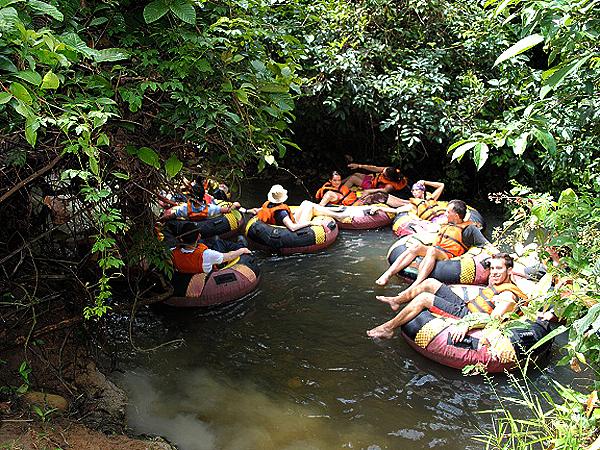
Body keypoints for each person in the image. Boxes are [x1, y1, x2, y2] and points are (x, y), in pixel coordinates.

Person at [367, 253, 528, 340]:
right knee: (430, 282)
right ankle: (396, 301)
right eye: (492, 269)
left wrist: (468, 325)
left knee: (424, 298)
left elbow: (493, 319)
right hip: (466, 305)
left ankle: (387, 329)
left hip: (468, 316)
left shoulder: (508, 295)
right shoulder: (498, 282)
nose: (494, 272)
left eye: (499, 269)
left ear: (509, 271)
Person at [375, 199, 494, 288]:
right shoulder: (446, 223)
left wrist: (499, 255)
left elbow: (486, 244)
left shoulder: (469, 229)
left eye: (448, 212)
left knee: (431, 251)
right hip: (437, 248)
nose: (445, 214)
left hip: (449, 255)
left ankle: (416, 284)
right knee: (416, 247)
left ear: (456, 216)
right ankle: (387, 275)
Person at [245, 184, 381, 231]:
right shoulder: (281, 213)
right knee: (310, 207)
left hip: (281, 223)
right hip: (292, 226)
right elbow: (292, 228)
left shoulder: (269, 204)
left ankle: (336, 214)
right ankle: (338, 215)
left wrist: (248, 211)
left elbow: (261, 212)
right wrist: (309, 223)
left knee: (306, 203)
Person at [170, 223, 252, 274]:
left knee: (215, 240)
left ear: (181, 239)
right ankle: (241, 245)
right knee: (219, 242)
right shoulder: (207, 255)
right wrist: (242, 250)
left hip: (189, 275)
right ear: (198, 236)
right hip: (209, 271)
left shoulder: (171, 252)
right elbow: (229, 256)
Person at [370, 180, 447, 222]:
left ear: (422, 191)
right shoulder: (413, 205)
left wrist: (425, 182)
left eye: (417, 190)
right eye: (413, 191)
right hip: (434, 222)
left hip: (444, 217)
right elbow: (396, 210)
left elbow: (441, 185)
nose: (414, 192)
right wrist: (379, 208)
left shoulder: (432, 198)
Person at [158, 183, 240, 222]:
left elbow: (170, 217)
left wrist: (159, 220)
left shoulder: (184, 208)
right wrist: (234, 205)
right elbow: (227, 210)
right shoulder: (211, 208)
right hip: (202, 223)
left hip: (190, 222)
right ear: (203, 195)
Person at [343, 163, 408, 195]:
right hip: (374, 180)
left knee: (353, 179)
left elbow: (383, 191)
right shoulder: (390, 170)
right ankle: (338, 183)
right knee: (356, 174)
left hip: (372, 186)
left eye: (383, 173)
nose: (382, 172)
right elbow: (375, 168)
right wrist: (359, 166)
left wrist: (368, 191)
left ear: (388, 178)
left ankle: (341, 192)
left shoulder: (390, 186)